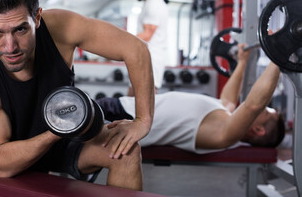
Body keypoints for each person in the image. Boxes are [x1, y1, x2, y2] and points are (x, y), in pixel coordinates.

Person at [0, 0, 155, 190]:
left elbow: (136, 48)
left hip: (65, 142)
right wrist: (58, 129)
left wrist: (143, 120)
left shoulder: (61, 27)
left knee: (125, 150)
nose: (10, 47)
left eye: (20, 29)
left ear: (36, 17)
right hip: (12, 156)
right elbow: (0, 164)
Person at [97, 44, 285, 154]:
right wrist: (242, 62)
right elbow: (228, 99)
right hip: (123, 108)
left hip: (121, 119)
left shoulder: (226, 135)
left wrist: (278, 56)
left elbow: (252, 105)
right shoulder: (225, 117)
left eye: (266, 111)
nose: (263, 107)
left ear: (258, 129)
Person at [127, 0, 169, 96]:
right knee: (130, 100)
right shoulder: (149, 4)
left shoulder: (154, 4)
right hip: (145, 58)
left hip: (151, 60)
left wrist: (122, 42)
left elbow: (147, 34)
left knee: (144, 102)